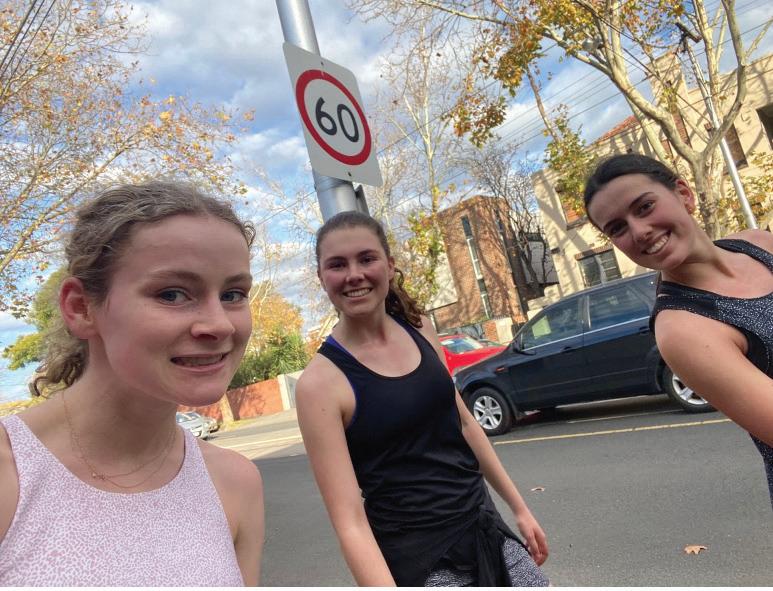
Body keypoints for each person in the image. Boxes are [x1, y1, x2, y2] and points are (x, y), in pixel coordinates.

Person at [0, 182, 265, 585]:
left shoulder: (235, 483)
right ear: (80, 307)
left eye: (233, 294)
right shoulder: (13, 476)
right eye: (172, 294)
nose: (220, 324)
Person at [296, 211, 549, 586]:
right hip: (419, 559)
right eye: (337, 264)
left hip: (484, 526)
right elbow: (350, 522)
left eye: (366, 258)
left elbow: (466, 425)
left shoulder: (421, 330)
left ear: (389, 265)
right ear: (321, 277)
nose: (354, 274)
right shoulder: (319, 384)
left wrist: (520, 509)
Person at [584, 153, 773, 508]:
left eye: (644, 207)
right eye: (618, 228)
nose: (639, 231)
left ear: (684, 194)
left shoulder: (759, 244)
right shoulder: (682, 327)